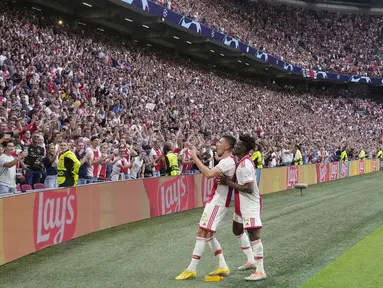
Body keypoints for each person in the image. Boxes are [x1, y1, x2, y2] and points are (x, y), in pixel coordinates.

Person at [175, 135, 236, 280]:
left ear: (227, 146)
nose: (217, 144)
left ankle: (191, 269)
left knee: (202, 232)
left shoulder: (228, 162)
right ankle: (222, 265)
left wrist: (195, 158)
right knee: (208, 235)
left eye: (220, 142)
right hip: (216, 200)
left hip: (218, 202)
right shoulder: (227, 161)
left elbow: (209, 174)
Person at [219, 135, 266, 281]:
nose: (235, 147)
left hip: (250, 204)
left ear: (244, 148)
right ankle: (250, 260)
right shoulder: (242, 161)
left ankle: (260, 271)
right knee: (237, 229)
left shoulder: (245, 164)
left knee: (254, 235)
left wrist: (228, 183)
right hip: (242, 203)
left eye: (238, 145)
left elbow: (249, 188)